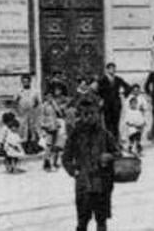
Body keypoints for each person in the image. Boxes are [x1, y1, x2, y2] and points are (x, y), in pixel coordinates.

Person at [62, 94, 120, 231]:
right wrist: (74, 171)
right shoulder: (75, 135)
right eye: (85, 114)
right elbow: (65, 158)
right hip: (84, 185)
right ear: (80, 115)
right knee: (82, 222)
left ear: (98, 114)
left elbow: (118, 153)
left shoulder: (104, 134)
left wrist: (109, 156)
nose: (89, 117)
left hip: (102, 184)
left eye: (92, 113)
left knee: (101, 221)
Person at [97, 63, 131, 141]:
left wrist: (124, 94)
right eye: (111, 68)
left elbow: (128, 87)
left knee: (116, 123)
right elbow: (97, 91)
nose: (113, 70)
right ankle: (109, 142)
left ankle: (116, 141)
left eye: (114, 68)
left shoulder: (118, 79)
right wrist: (101, 99)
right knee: (108, 124)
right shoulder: (102, 80)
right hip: (107, 104)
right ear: (107, 70)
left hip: (116, 104)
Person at [39, 83, 67, 170]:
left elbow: (60, 113)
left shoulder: (54, 105)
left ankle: (54, 162)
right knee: (48, 145)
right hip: (48, 127)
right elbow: (41, 116)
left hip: (56, 126)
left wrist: (55, 105)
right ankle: (46, 162)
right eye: (48, 96)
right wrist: (43, 128)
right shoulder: (44, 105)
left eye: (51, 96)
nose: (50, 98)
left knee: (56, 145)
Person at [14, 74, 42, 155]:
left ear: (30, 82)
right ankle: (24, 148)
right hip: (22, 114)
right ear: (22, 82)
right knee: (23, 131)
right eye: (24, 82)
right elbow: (15, 102)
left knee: (32, 130)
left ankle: (33, 148)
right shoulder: (19, 91)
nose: (26, 83)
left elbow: (37, 102)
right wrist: (18, 112)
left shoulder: (34, 91)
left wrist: (34, 109)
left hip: (32, 114)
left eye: (27, 81)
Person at [122, 84, 148, 155]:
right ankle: (130, 148)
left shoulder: (141, 97)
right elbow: (126, 109)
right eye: (135, 90)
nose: (136, 92)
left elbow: (145, 107)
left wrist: (142, 109)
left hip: (139, 117)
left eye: (138, 90)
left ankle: (138, 148)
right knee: (132, 137)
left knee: (139, 137)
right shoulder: (129, 98)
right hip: (132, 122)